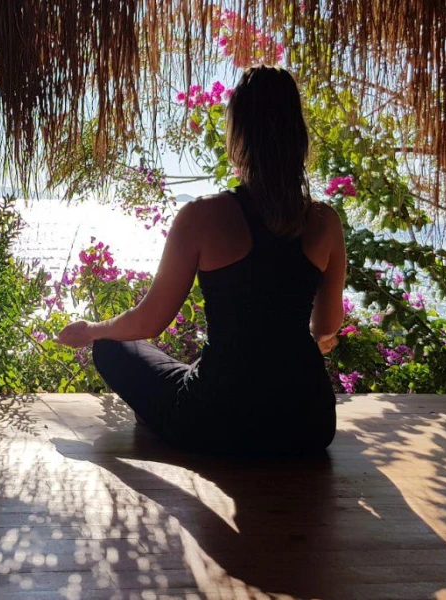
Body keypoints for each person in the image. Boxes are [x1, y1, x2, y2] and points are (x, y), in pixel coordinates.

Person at [55, 65, 346, 456]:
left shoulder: (203, 216)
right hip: (308, 424)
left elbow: (151, 321)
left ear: (239, 136)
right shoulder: (325, 222)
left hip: (217, 421)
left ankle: (157, 418)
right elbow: (326, 326)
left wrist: (92, 329)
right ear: (299, 136)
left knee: (110, 346)